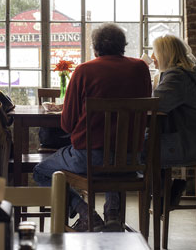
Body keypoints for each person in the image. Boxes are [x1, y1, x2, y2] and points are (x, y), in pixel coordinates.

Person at [33, 23, 152, 232]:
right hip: (131, 158)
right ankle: (113, 213)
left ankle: (85, 212)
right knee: (112, 154)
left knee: (41, 171)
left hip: (89, 158)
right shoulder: (140, 68)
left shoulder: (84, 71)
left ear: (95, 48)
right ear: (122, 46)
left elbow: (68, 124)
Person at [150, 34, 196, 205]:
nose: (153, 57)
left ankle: (163, 192)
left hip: (188, 141)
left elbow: (156, 105)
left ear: (166, 54)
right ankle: (164, 192)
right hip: (190, 135)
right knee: (144, 146)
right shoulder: (179, 73)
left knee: (137, 151)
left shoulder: (176, 76)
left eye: (155, 53)